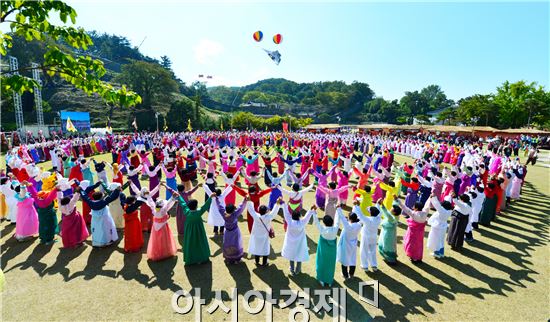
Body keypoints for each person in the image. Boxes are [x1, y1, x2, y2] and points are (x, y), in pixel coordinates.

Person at [281, 203, 315, 275]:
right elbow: (307, 217)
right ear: (299, 216)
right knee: (299, 254)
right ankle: (298, 270)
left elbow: (286, 213)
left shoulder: (289, 222)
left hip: (290, 243)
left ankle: (292, 269)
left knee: (291, 255)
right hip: (299, 243)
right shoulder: (302, 223)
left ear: (292, 216)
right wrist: (311, 209)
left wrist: (283, 204)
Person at [246, 199, 281, 267]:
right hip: (264, 237)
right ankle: (264, 263)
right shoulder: (269, 217)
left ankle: (257, 262)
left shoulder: (256, 216)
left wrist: (249, 201)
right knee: (265, 249)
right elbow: (274, 212)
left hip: (256, 236)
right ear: (266, 211)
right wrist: (277, 203)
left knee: (257, 248)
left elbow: (251, 210)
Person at [180, 196, 213, 265]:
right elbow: (205, 206)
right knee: (200, 243)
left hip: (189, 231)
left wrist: (179, 196)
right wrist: (211, 197)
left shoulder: (187, 212)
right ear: (196, 206)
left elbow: (183, 204)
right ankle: (201, 258)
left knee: (190, 243)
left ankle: (191, 258)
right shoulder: (199, 212)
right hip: (199, 231)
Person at [145, 193, 178, 261]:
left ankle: (156, 252)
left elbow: (151, 202)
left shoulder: (154, 209)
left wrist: (148, 196)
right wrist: (173, 197)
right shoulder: (163, 210)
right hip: (163, 227)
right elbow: (168, 204)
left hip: (155, 228)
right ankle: (164, 252)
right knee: (164, 239)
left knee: (156, 240)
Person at [312, 207, 338, 286]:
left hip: (323, 250)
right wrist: (337, 210)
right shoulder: (335, 229)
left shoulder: (322, 229)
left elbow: (316, 222)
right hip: (332, 251)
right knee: (330, 265)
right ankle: (329, 280)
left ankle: (321, 279)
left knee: (321, 263)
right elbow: (337, 220)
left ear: (324, 223)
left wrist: (314, 212)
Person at [216, 196, 247, 264]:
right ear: (233, 210)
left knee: (228, 244)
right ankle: (237, 259)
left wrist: (216, 199)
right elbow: (241, 208)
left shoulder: (224, 214)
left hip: (227, 232)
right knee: (236, 244)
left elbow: (219, 207)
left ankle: (229, 259)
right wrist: (245, 200)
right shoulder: (234, 214)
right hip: (235, 232)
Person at [397, 198, 428, 263]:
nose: (413, 207)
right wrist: (431, 198)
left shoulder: (413, 214)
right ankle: (418, 258)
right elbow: (427, 205)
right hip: (420, 233)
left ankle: (414, 257)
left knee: (412, 245)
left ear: (416, 208)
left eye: (414, 206)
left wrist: (397, 200)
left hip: (413, 233)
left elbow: (404, 207)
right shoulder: (425, 213)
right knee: (419, 245)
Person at [336, 206, 364, 277]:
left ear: (350, 219)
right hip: (353, 244)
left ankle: (345, 274)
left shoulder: (348, 226)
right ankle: (351, 274)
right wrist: (356, 206)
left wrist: (338, 208)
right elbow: (359, 218)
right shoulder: (359, 225)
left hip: (346, 245)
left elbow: (342, 218)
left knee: (344, 260)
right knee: (352, 259)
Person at [354, 202, 381, 271]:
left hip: (366, 237)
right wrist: (378, 204)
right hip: (374, 237)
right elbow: (378, 211)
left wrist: (357, 206)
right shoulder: (378, 218)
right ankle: (374, 265)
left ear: (371, 213)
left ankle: (365, 266)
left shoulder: (367, 219)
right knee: (373, 251)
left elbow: (360, 215)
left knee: (364, 250)